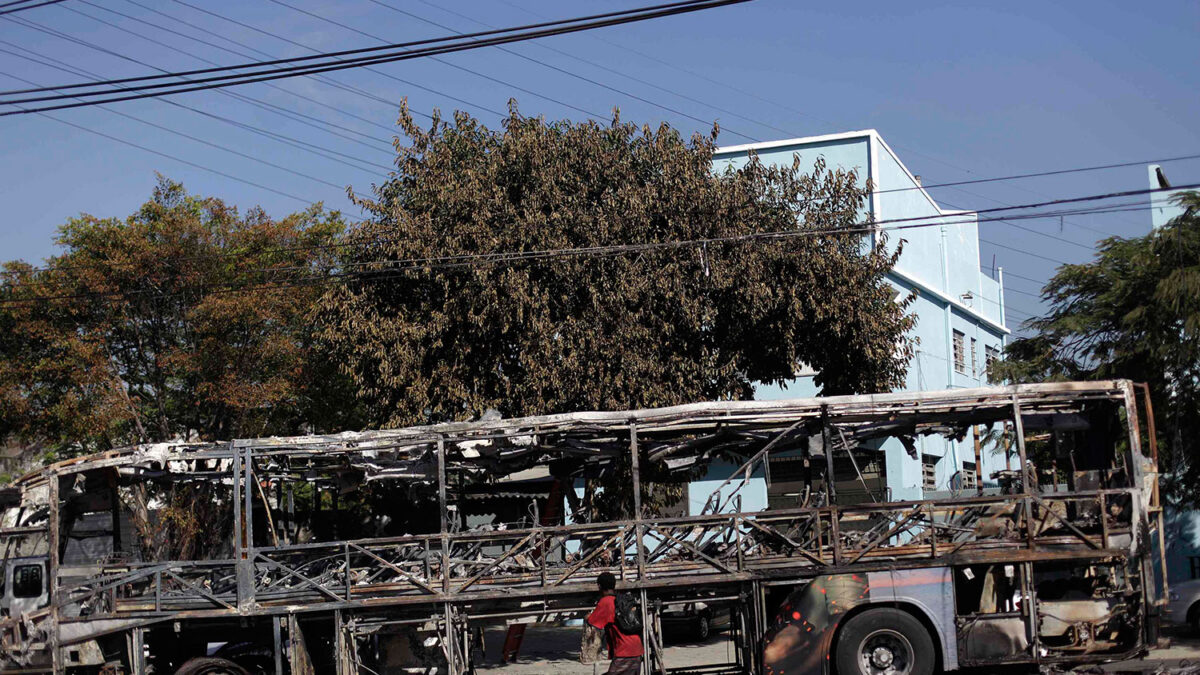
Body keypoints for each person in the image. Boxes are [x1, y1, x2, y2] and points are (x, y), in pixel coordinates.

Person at [586, 572, 643, 674]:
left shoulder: (606, 602)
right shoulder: (620, 599)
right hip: (637, 649)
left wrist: (587, 616)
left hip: (625, 651)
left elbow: (592, 621)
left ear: (599, 586)